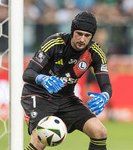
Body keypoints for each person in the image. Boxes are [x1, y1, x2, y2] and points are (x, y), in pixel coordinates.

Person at [21, 11, 112, 150]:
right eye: (79, 34)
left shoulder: (95, 52)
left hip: (66, 98)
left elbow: (106, 83)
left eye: (87, 36)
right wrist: (42, 78)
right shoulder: (55, 42)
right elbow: (28, 73)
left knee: (100, 132)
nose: (82, 39)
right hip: (38, 95)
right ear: (72, 31)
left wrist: (105, 95)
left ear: (92, 36)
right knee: (40, 140)